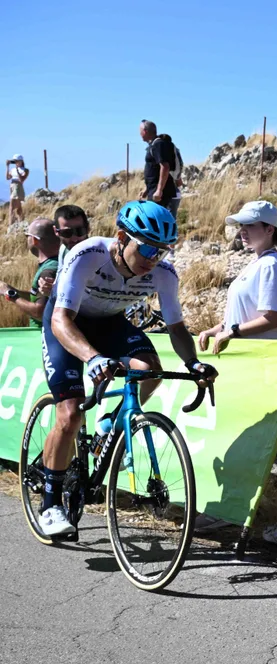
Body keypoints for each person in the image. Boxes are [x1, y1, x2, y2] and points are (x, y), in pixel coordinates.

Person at [37, 200, 216, 540]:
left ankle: (111, 423)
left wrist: (193, 363)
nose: (153, 259)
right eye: (147, 248)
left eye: (161, 251)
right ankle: (50, 505)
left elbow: (177, 329)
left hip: (108, 323)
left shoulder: (163, 273)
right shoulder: (88, 254)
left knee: (150, 370)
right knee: (71, 414)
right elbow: (61, 319)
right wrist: (92, 358)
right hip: (67, 321)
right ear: (121, 237)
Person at [199, 200, 277, 354]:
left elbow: (276, 318)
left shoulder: (270, 265)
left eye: (250, 225)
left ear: (269, 229)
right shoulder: (257, 263)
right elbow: (240, 316)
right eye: (241, 225)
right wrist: (214, 331)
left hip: (257, 357)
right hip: (242, 356)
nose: (242, 231)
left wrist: (233, 332)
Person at [0, 218, 59, 326]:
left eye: (27, 236)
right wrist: (11, 289)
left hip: (43, 335)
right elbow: (37, 298)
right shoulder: (53, 264)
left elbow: (39, 313)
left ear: (35, 240)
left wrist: (10, 294)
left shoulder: (48, 271)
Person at [139, 120, 180, 217]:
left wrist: (159, 190)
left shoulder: (158, 144)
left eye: (140, 131)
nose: (140, 134)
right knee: (154, 220)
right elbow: (155, 169)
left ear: (145, 131)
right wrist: (147, 189)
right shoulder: (154, 145)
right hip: (154, 190)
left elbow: (165, 167)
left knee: (156, 221)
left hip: (160, 194)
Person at [7, 155, 29, 225]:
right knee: (18, 208)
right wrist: (7, 167)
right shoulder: (12, 170)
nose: (15, 162)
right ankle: (21, 221)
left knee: (11, 206)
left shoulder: (25, 170)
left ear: (21, 161)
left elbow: (21, 180)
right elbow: (8, 177)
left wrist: (17, 170)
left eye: (16, 161)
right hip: (12, 186)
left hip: (18, 187)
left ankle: (11, 223)